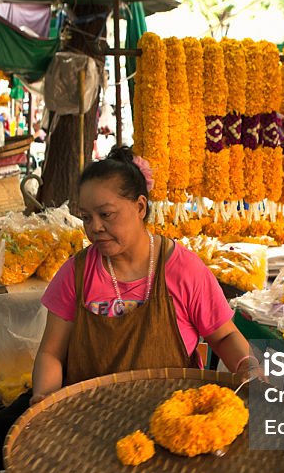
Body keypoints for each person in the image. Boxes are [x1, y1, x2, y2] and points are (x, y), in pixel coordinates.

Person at [31, 146, 262, 403]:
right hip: (91, 422)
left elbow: (224, 335)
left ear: (140, 207)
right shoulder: (76, 274)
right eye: (86, 217)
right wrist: (44, 397)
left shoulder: (184, 270)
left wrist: (247, 367)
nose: (95, 227)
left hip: (172, 416)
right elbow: (51, 353)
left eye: (106, 214)